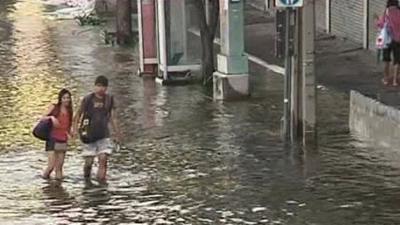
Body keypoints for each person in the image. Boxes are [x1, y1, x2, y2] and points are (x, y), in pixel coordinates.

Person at [73, 76, 121, 183]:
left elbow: (113, 117)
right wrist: (75, 130)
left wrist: (117, 133)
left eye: (103, 86)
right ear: (95, 86)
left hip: (104, 134)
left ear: (106, 88)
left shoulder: (109, 99)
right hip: (89, 134)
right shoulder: (88, 99)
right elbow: (78, 114)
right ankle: (87, 179)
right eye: (99, 86)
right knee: (89, 162)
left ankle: (101, 184)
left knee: (103, 159)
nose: (101, 89)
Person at [42, 89, 73, 180]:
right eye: (64, 98)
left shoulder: (69, 111)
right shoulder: (54, 107)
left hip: (63, 139)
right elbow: (42, 118)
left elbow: (68, 125)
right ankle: (45, 182)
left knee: (59, 168)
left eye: (68, 98)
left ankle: (58, 189)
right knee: (51, 166)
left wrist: (71, 133)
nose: (66, 100)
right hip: (52, 139)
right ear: (60, 99)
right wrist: (52, 118)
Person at [377, 0, 400, 86]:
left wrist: (377, 20)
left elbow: (380, 24)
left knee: (386, 60)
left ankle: (386, 79)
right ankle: (395, 81)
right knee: (397, 61)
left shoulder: (386, 12)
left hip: (387, 40)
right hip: (398, 40)